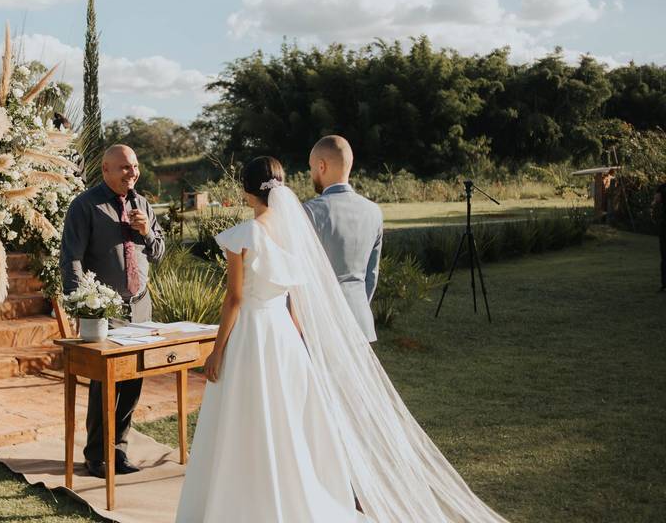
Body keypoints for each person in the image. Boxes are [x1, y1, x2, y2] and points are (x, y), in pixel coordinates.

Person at [176, 156, 510, 523]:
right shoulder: (293, 234)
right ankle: (288, 498)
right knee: (285, 420)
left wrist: (216, 350)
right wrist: (298, 340)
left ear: (245, 191)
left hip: (252, 335)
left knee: (244, 417)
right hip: (284, 337)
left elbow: (235, 299)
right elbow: (294, 301)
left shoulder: (243, 235)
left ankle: (242, 503)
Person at [59, 144, 166, 479]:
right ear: (105, 169)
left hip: (140, 308)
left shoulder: (143, 205)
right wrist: (83, 305)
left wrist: (146, 233)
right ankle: (96, 456)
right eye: (123, 168)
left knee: (133, 382)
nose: (130, 173)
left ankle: (118, 451)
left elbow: (160, 252)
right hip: (104, 312)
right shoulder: (85, 206)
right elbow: (71, 259)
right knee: (104, 384)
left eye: (134, 167)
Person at [304, 135, 382, 343]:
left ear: (321, 166)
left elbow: (301, 274)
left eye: (311, 167)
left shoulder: (311, 211)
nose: (311, 173)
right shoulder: (374, 211)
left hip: (321, 325)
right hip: (360, 323)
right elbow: (371, 275)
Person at [655, 183, 666, 292]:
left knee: (664, 256)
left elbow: (657, 200)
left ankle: (664, 284)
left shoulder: (662, 187)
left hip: (664, 226)